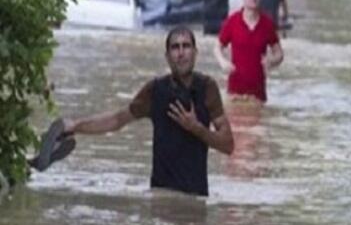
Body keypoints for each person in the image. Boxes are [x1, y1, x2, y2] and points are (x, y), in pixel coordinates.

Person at [62, 27, 234, 197]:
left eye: (186, 46)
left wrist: (196, 128)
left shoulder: (207, 88)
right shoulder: (156, 90)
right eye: (175, 47)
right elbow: (117, 120)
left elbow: (228, 145)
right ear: (167, 57)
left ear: (195, 52)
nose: (181, 53)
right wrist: (75, 126)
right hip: (161, 195)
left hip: (196, 198)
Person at [215, 0, 284, 103]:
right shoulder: (232, 21)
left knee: (259, 124)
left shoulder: (267, 24)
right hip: (235, 94)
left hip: (257, 95)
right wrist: (223, 62)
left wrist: (271, 61)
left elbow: (279, 53)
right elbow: (218, 47)